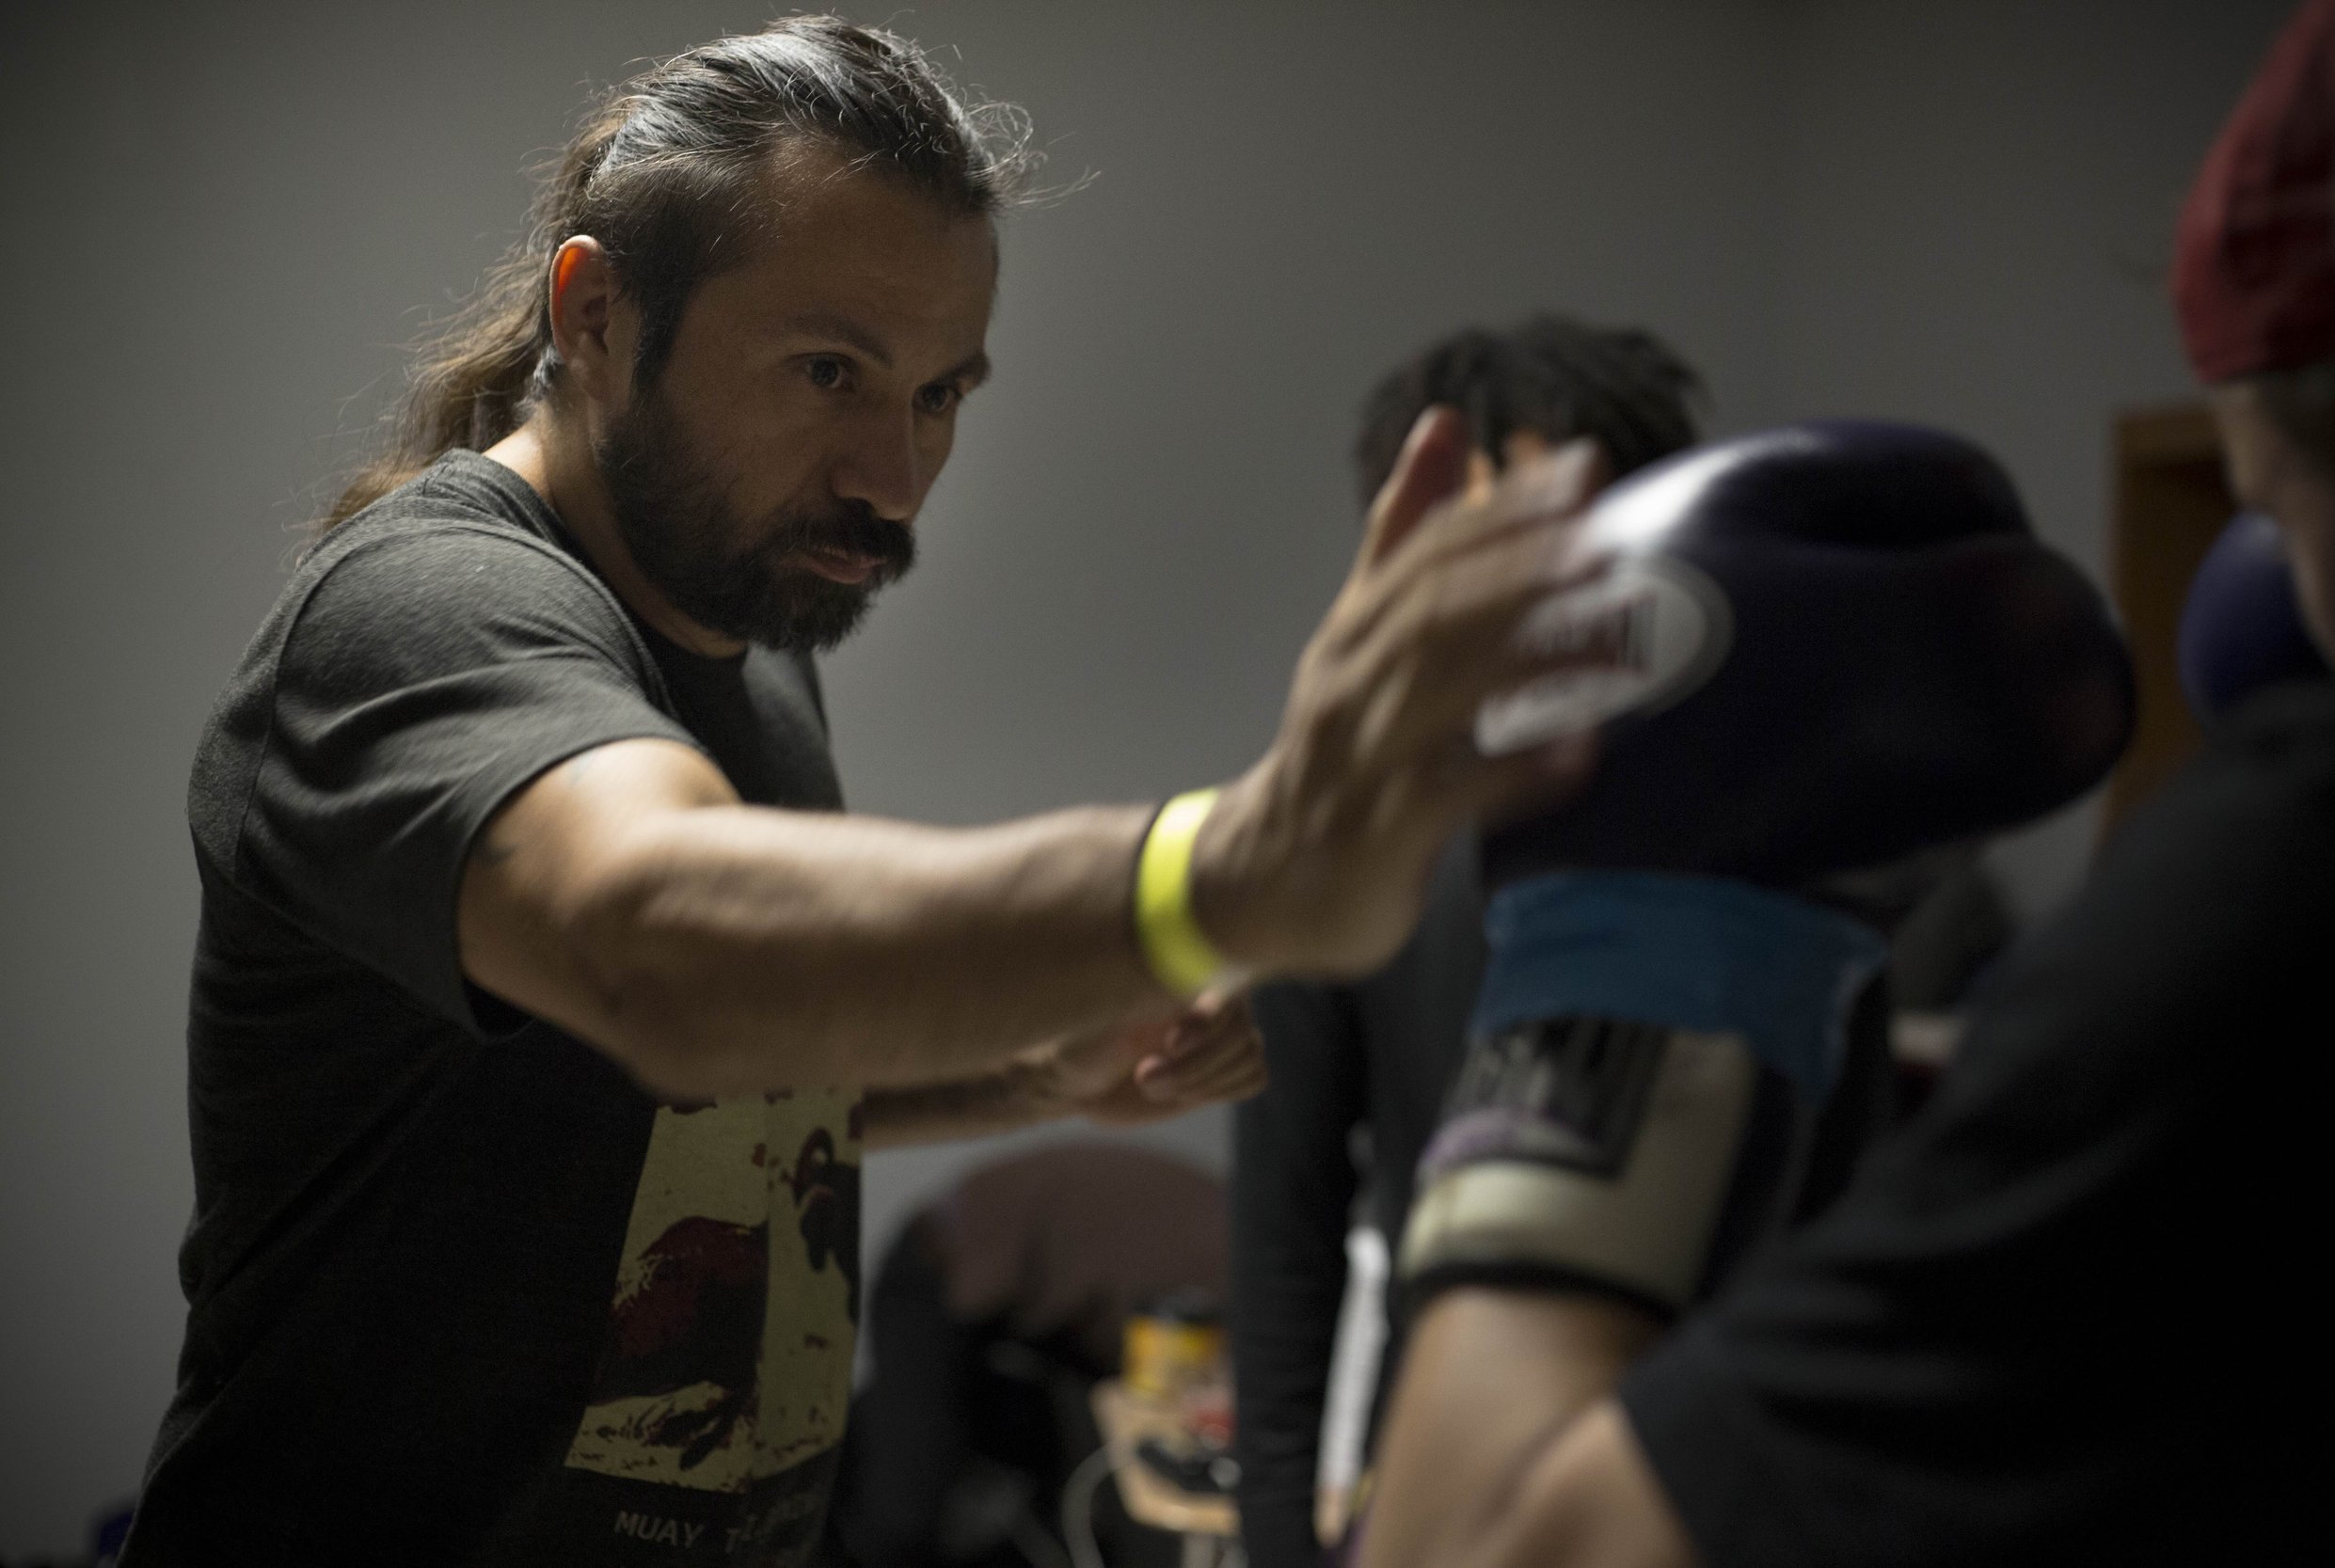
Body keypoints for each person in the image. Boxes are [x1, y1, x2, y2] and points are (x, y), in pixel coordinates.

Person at [123, 18, 1606, 1567]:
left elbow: (691, 1105)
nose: (892, 479)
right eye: (829, 370)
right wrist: (1217, 870)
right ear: (598, 313)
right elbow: (657, 949)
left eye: (939, 395)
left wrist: (1023, 1074)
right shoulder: (424, 612)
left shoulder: (749, 644)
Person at [1359, 4, 2335, 1564]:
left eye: (2280, 514)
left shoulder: (2279, 898)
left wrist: (1612, 954)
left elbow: (1492, 1544)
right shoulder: (1363, 895)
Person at [1228, 316, 1717, 1568]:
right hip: (1454, 1460)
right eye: (1493, 545)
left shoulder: (1753, 824)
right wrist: (1281, 1539)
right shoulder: (1338, 846)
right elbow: (1285, 1243)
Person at [838, 1145, 1228, 1568]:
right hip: (944, 1264)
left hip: (1034, 1282)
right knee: (906, 1497)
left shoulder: (1241, 1250)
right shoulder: (1227, 1280)